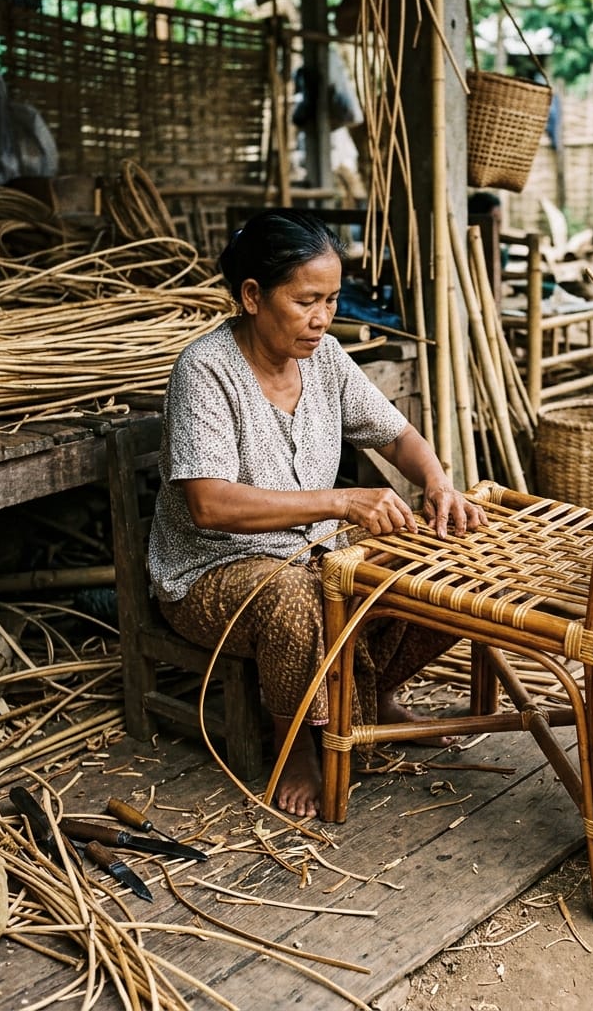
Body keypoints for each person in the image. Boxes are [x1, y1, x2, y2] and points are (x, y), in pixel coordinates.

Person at [148, 209, 487, 818]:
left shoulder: (324, 358)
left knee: (445, 556)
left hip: (316, 549)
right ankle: (296, 742)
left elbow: (395, 435)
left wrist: (438, 482)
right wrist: (338, 500)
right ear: (253, 296)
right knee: (295, 597)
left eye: (331, 300)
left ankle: (371, 693)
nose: (323, 318)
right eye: (306, 301)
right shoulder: (205, 370)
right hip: (211, 573)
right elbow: (208, 503)